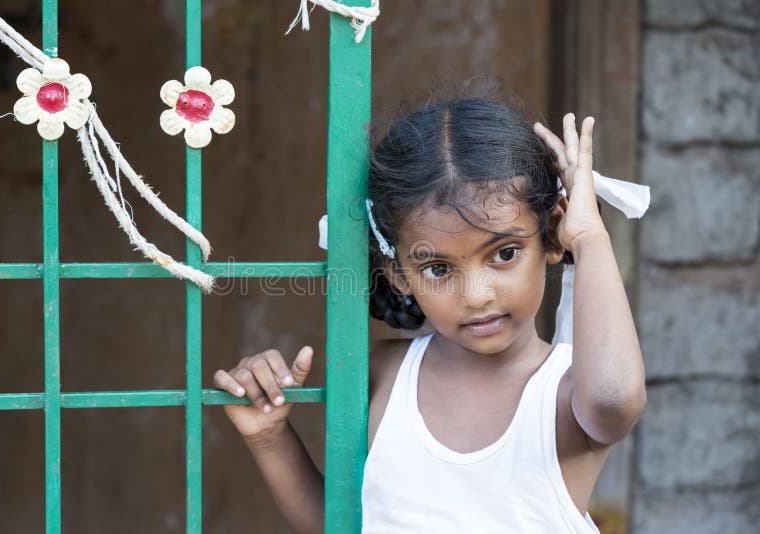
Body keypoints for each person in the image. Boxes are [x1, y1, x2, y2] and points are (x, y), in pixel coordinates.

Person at [213, 94, 647, 533]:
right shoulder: (380, 374)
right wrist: (269, 438)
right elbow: (343, 525)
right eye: (438, 268)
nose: (476, 296)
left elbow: (615, 399)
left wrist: (590, 237)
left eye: (505, 253)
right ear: (398, 274)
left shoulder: (568, 392)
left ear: (552, 238)